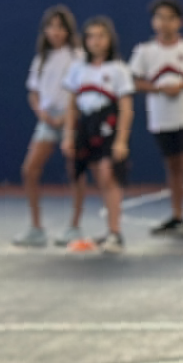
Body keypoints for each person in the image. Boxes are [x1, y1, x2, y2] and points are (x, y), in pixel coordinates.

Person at [129, 0, 183, 234]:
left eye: (170, 18)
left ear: (179, 22)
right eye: (160, 17)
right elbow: (134, 81)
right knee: (172, 167)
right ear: (153, 21)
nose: (165, 23)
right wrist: (158, 88)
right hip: (162, 118)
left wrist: (181, 86)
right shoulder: (144, 51)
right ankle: (177, 215)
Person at [61, 16, 134, 254]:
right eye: (90, 36)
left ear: (110, 39)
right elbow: (71, 106)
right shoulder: (77, 69)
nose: (95, 41)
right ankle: (94, 228)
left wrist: (121, 140)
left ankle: (115, 232)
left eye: (101, 36)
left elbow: (126, 108)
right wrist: (69, 135)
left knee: (108, 174)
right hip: (86, 127)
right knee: (92, 176)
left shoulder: (118, 69)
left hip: (108, 125)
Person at [15, 6, 82, 248]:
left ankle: (74, 227)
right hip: (46, 120)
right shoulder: (41, 59)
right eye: (51, 27)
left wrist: (69, 116)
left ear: (68, 30)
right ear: (44, 30)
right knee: (29, 170)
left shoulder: (77, 56)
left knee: (75, 171)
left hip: (71, 118)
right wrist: (41, 112)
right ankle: (36, 228)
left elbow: (83, 89)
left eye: (60, 27)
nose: (55, 32)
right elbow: (32, 92)